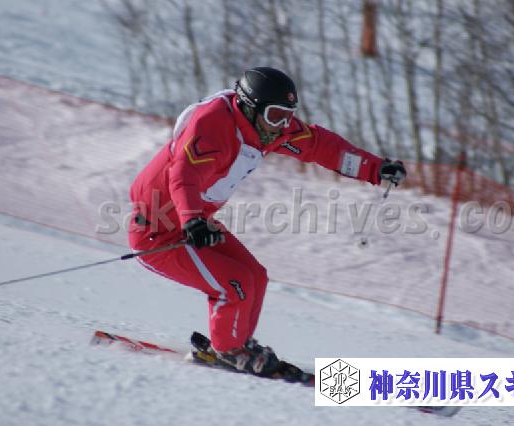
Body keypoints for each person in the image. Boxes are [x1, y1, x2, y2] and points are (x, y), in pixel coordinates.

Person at [128, 67, 406, 376]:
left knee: (255, 277)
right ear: (250, 106)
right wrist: (191, 220)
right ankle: (229, 351)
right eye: (276, 116)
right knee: (234, 285)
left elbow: (319, 145)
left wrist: (375, 168)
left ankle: (237, 343)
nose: (282, 126)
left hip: (193, 223)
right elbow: (183, 175)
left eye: (288, 116)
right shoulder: (213, 126)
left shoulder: (264, 129)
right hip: (158, 231)